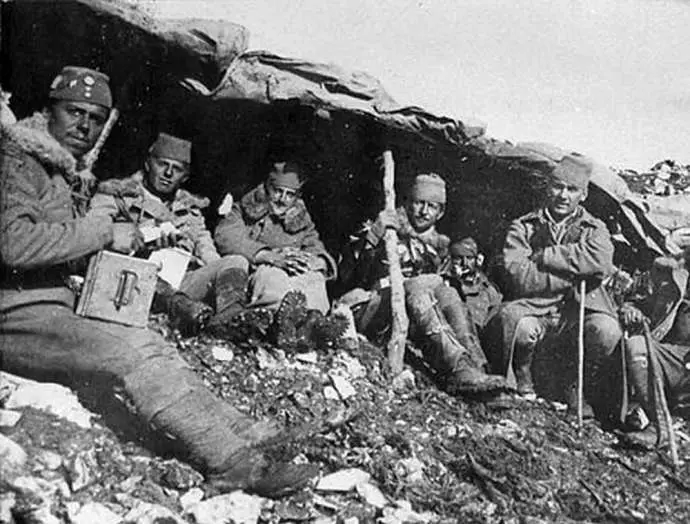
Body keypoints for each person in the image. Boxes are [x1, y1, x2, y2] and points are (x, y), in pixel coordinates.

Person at [0, 66, 314, 496]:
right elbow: (12, 245)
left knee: (148, 340)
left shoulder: (58, 169)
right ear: (47, 111)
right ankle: (232, 462)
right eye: (74, 112)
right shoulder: (16, 161)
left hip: (47, 305)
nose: (84, 125)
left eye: (95, 117)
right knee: (129, 351)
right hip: (13, 311)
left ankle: (242, 430)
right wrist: (103, 232)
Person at [338, 173, 508, 394]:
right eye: (419, 203)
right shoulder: (384, 228)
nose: (424, 212)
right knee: (419, 287)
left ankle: (475, 368)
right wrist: (373, 236)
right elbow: (349, 277)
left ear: (441, 212)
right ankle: (458, 366)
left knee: (447, 294)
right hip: (375, 311)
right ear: (408, 202)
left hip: (417, 322)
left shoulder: (442, 248)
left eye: (432, 206)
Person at [487, 155, 622, 408]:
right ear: (548, 187)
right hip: (534, 307)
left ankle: (575, 383)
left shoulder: (594, 229)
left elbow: (601, 262)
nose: (563, 195)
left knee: (607, 330)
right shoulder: (524, 226)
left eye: (571, 189)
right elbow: (519, 275)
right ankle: (522, 376)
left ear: (583, 195)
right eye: (558, 186)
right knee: (515, 323)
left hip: (577, 310)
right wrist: (575, 274)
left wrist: (547, 256)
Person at [89, 132, 249, 333]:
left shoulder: (191, 210)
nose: (168, 174)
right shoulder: (118, 197)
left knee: (236, 261)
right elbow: (94, 235)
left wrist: (219, 275)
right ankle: (188, 313)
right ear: (148, 164)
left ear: (185, 176)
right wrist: (142, 237)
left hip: (183, 280)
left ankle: (230, 321)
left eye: (177, 169)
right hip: (133, 279)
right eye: (162, 164)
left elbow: (207, 250)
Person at [214, 161, 336, 315]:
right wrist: (268, 256)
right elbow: (226, 237)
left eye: (290, 194)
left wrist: (316, 261)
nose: (283, 199)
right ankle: (268, 319)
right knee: (272, 275)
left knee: (315, 278)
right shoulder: (245, 210)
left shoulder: (302, 221)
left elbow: (314, 245)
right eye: (278, 191)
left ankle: (314, 325)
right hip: (256, 274)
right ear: (267, 188)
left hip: (291, 275)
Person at [616, 254, 690, 446]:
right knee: (637, 346)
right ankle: (660, 425)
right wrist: (632, 310)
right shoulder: (673, 279)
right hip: (673, 360)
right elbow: (638, 302)